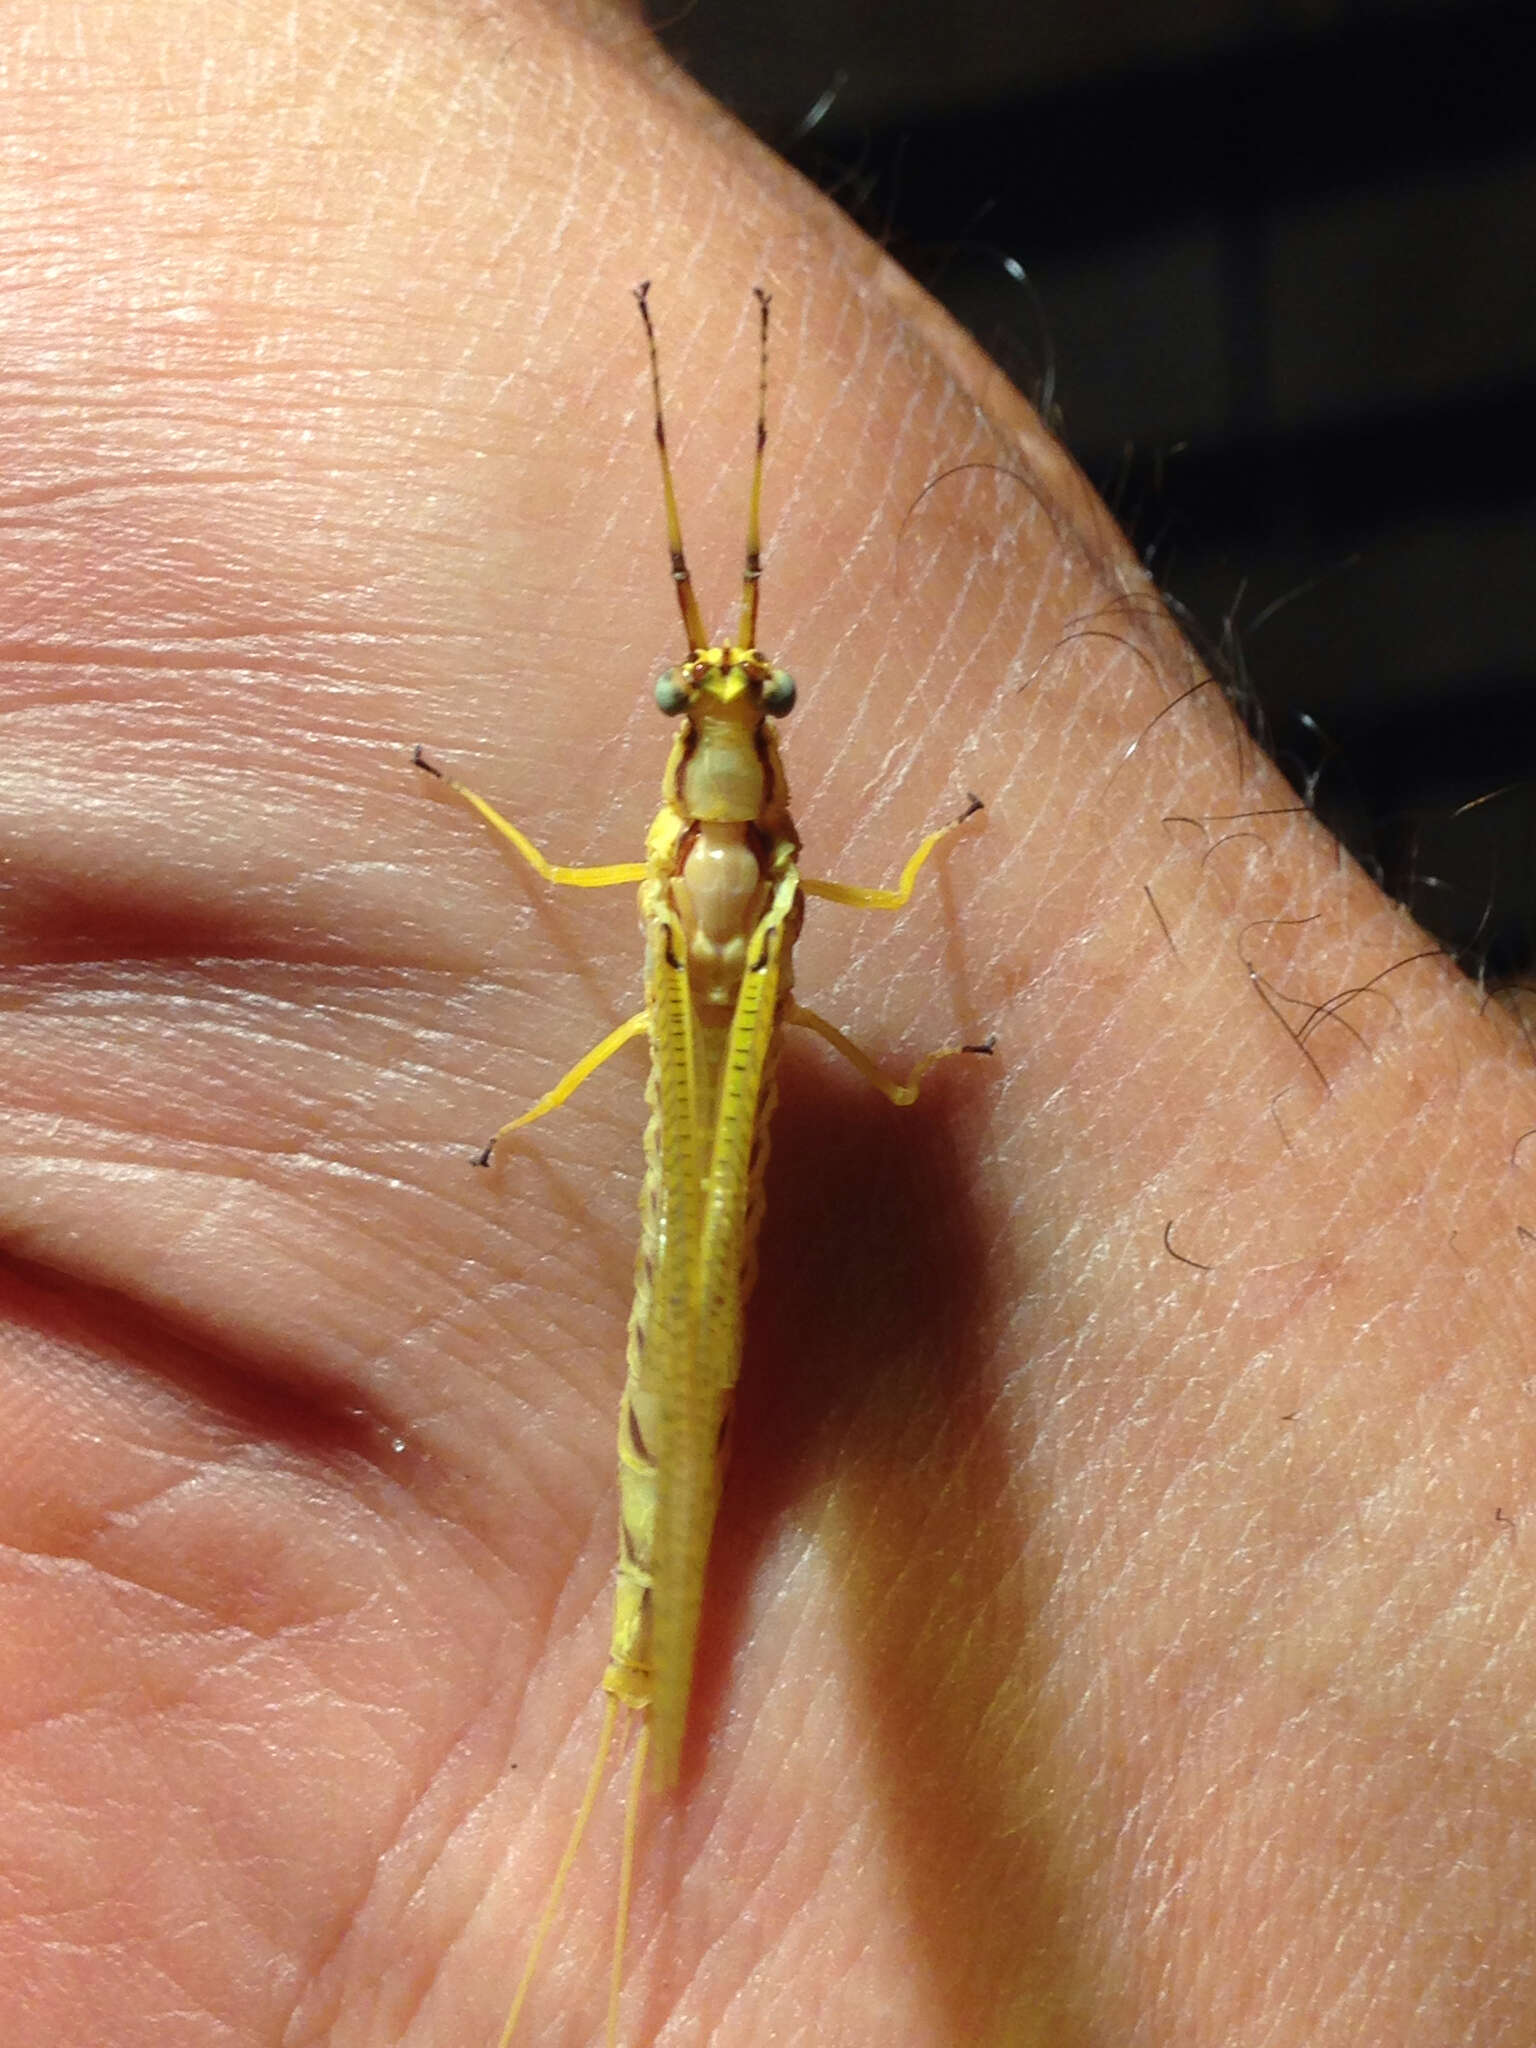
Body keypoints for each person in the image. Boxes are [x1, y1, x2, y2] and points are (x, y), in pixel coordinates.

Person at [3, 5, 1530, 2042]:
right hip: (699, 1210)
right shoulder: (769, 871)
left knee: (689, 1272)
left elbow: (627, 916)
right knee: (677, 1297)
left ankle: (637, 1751)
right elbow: (862, 936)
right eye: (711, 706)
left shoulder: (696, 872)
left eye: (736, 705)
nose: (722, 704)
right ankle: (643, 1736)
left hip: (715, 1189)